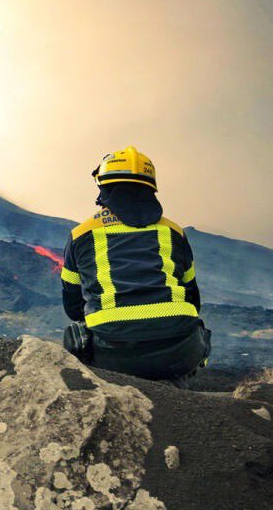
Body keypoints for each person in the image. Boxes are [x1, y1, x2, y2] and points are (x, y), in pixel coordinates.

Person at [60, 146, 210, 386]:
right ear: (151, 189)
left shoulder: (81, 234)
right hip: (180, 351)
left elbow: (73, 306)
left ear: (103, 187)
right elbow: (193, 299)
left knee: (74, 335)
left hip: (112, 355)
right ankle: (179, 396)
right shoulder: (174, 232)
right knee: (195, 327)